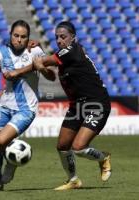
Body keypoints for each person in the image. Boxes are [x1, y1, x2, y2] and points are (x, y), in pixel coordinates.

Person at [33, 21, 111, 190]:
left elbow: (45, 62)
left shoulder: (73, 50)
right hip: (77, 106)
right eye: (56, 38)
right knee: (62, 146)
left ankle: (103, 157)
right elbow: (49, 66)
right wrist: (39, 55)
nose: (59, 40)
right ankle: (73, 180)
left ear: (73, 38)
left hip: (96, 103)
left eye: (63, 37)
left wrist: (30, 64)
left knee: (78, 147)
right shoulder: (65, 57)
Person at [0, 20, 56, 192]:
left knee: (1, 140)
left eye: (23, 37)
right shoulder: (2, 53)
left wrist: (42, 68)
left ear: (28, 38)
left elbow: (52, 76)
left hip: (26, 108)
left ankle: (12, 162)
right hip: (4, 106)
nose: (19, 40)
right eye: (16, 36)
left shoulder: (35, 50)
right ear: (10, 35)